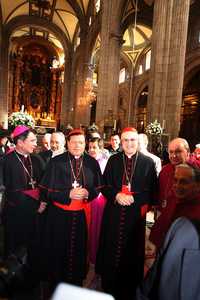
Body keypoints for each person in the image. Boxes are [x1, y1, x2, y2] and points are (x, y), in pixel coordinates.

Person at [96, 127, 158, 300]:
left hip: (135, 216)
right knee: (110, 246)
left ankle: (129, 287)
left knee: (132, 250)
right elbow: (104, 185)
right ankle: (108, 284)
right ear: (121, 142)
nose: (129, 143)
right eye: (126, 140)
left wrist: (132, 199)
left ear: (137, 142)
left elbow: (152, 191)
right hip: (113, 213)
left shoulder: (148, 162)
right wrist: (116, 195)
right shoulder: (114, 160)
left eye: (132, 140)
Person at [39, 129, 103, 292]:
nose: (77, 145)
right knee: (58, 250)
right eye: (73, 142)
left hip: (81, 216)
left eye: (81, 142)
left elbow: (98, 187)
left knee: (79, 250)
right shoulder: (56, 162)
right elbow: (46, 191)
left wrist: (89, 193)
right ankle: (56, 284)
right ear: (68, 144)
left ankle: (75, 283)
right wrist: (68, 193)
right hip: (59, 217)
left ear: (85, 144)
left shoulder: (91, 163)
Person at [2, 125, 45, 257]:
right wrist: (36, 206)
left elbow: (44, 183)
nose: (36, 144)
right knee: (15, 251)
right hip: (16, 215)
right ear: (20, 142)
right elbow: (11, 192)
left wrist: (43, 201)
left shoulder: (37, 159)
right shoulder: (6, 161)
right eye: (32, 141)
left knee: (33, 249)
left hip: (36, 214)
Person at [150, 162, 200, 249]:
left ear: (197, 185)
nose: (177, 185)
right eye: (175, 180)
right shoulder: (172, 197)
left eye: (184, 182)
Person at [88, 137, 108, 264]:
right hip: (86, 200)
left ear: (101, 148)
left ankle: (95, 256)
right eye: (89, 147)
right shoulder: (87, 160)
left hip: (99, 200)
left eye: (94, 147)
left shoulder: (105, 162)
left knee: (96, 228)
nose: (91, 150)